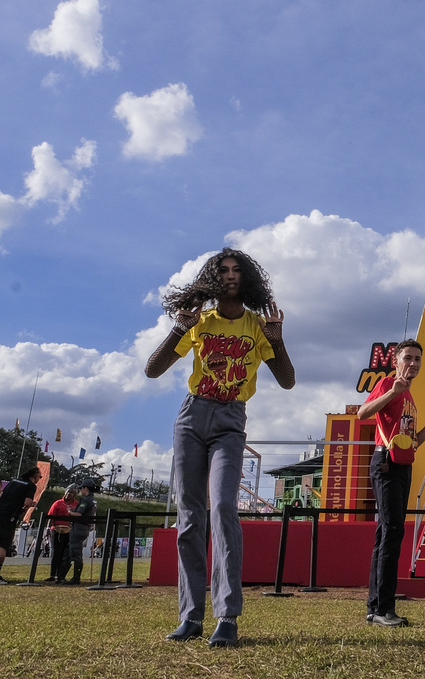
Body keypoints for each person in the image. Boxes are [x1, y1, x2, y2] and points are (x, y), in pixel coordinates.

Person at [145, 248, 296, 647]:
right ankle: (190, 617)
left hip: (231, 420)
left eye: (237, 270)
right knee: (190, 515)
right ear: (213, 278)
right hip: (192, 416)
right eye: (223, 270)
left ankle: (227, 617)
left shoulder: (257, 325)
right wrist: (179, 328)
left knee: (225, 507)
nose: (230, 275)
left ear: (247, 278)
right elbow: (153, 369)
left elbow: (287, 380)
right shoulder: (200, 321)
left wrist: (277, 341)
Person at [357, 339, 425, 628]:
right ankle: (383, 608)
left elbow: (413, 443)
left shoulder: (409, 396)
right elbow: (362, 414)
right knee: (392, 531)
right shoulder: (388, 384)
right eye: (408, 357)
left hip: (402, 464)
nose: (413, 363)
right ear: (396, 361)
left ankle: (375, 607)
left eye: (417, 359)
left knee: (386, 533)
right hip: (385, 463)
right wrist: (392, 392)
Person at [0, 465, 41, 584]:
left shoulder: (13, 481)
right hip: (8, 517)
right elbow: (27, 502)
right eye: (39, 477)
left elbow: (2, 495)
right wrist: (30, 505)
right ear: (34, 477)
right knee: (3, 545)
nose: (39, 479)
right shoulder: (31, 486)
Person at [66, 477, 99, 584]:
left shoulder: (86, 500)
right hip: (85, 528)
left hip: (79, 528)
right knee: (75, 552)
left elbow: (79, 514)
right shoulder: (93, 500)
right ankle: (71, 576)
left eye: (82, 488)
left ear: (86, 488)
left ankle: (76, 578)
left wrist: (70, 512)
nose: (80, 490)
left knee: (75, 553)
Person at [47, 485, 79, 583]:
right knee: (56, 552)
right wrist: (48, 528)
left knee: (66, 553)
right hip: (57, 529)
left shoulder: (76, 504)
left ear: (75, 495)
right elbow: (50, 516)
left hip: (70, 530)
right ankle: (53, 574)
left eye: (71, 492)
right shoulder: (58, 503)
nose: (68, 494)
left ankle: (60, 574)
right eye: (68, 491)